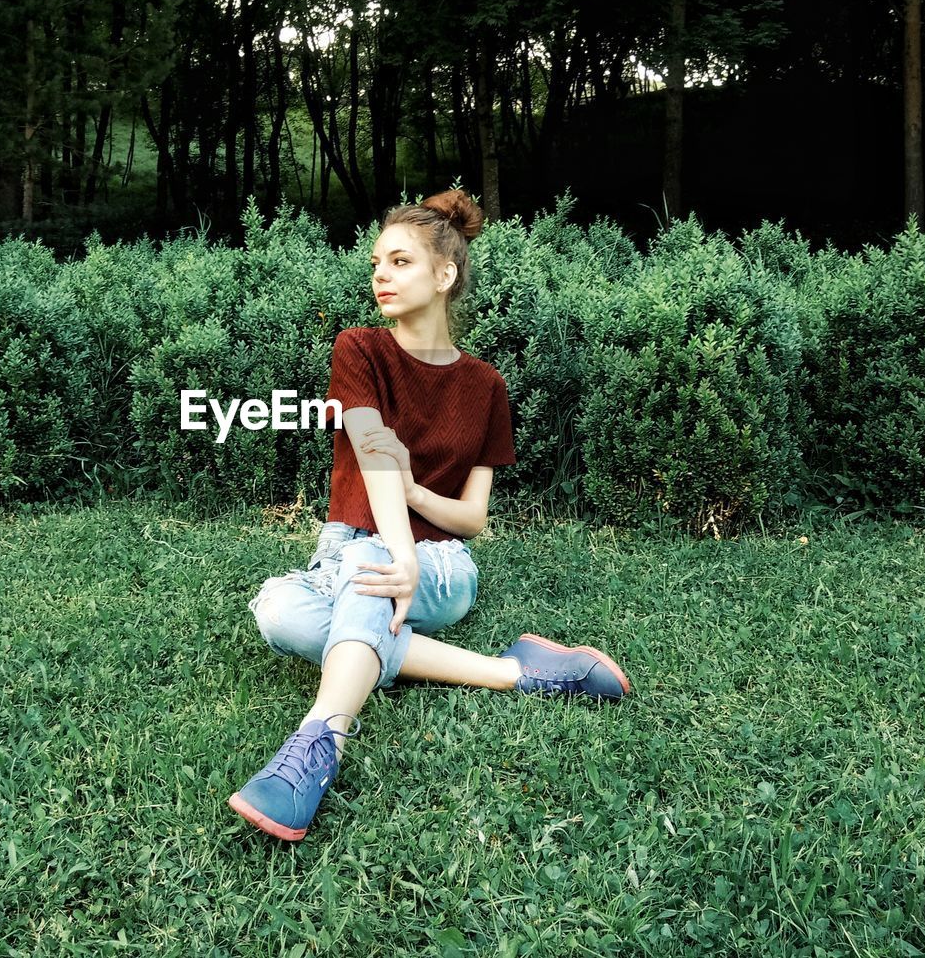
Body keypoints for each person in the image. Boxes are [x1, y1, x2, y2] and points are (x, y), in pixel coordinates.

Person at [228, 189, 631, 842]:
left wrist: (412, 516)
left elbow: (473, 516)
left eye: (400, 261)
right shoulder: (357, 349)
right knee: (277, 610)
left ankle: (316, 742)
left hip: (441, 563)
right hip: (350, 555)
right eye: (375, 263)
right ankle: (515, 669)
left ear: (444, 274)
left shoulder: (486, 386)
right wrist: (395, 545)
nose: (379, 274)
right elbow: (375, 446)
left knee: (370, 566)